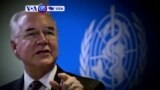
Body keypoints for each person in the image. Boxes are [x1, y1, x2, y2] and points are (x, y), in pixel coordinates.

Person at [0, 11, 105, 90]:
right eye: (31, 34)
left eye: (49, 32)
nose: (43, 40)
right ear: (15, 47)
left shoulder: (91, 87)